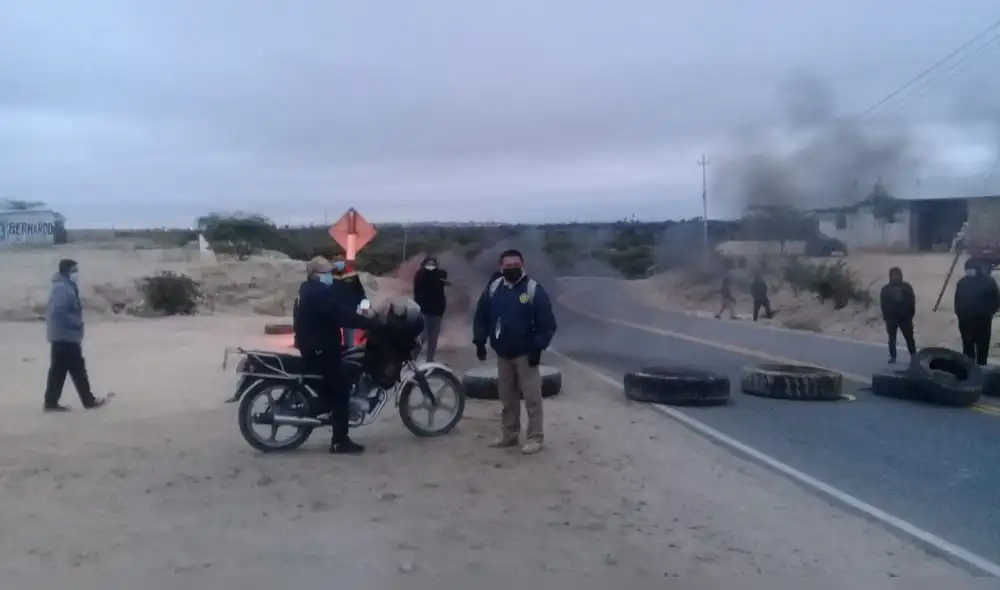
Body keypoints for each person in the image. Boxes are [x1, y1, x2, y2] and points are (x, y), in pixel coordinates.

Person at [473, 249, 557, 455]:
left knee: (532, 399)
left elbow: (547, 324)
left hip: (526, 355)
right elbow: (481, 316)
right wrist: (480, 342)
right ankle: (509, 435)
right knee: (507, 399)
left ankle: (535, 438)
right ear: (500, 267)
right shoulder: (493, 289)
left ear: (523, 265)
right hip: (503, 354)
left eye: (515, 265)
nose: (511, 269)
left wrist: (537, 348)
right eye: (507, 266)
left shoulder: (533, 290)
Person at [295, 256, 375, 454]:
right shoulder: (318, 292)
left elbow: (342, 308)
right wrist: (369, 323)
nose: (330, 275)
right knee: (341, 391)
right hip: (320, 346)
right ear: (315, 274)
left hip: (315, 343)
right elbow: (338, 314)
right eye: (326, 272)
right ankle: (340, 441)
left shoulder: (309, 288)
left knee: (348, 367)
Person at [43, 259, 107, 412]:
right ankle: (88, 401)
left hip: (62, 336)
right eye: (74, 270)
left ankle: (52, 402)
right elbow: (58, 311)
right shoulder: (62, 289)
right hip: (65, 336)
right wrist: (76, 322)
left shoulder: (65, 286)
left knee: (60, 370)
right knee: (76, 369)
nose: (77, 274)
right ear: (67, 271)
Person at [954, 259, 1000, 366]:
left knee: (982, 345)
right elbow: (957, 299)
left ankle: (982, 365)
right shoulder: (962, 282)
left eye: (970, 269)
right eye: (967, 269)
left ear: (976, 269)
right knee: (967, 344)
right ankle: (969, 367)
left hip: (983, 319)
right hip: (965, 320)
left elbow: (996, 300)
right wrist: (959, 313)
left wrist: (989, 313)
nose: (968, 272)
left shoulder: (988, 282)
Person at [412, 255, 450, 362]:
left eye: (433, 264)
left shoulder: (439, 275)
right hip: (424, 312)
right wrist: (432, 274)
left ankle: (430, 362)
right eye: (429, 264)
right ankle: (411, 360)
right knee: (421, 338)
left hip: (437, 313)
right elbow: (423, 281)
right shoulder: (420, 275)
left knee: (433, 341)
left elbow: (444, 274)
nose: (431, 266)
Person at [879, 266, 917, 364]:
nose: (896, 277)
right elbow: (883, 305)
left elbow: (912, 302)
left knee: (909, 338)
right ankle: (893, 357)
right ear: (890, 276)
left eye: (897, 275)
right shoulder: (885, 289)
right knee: (892, 339)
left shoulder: (906, 287)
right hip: (892, 319)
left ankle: (914, 357)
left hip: (905, 318)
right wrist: (886, 318)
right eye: (894, 275)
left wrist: (910, 315)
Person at [330, 253, 367, 348]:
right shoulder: (329, 276)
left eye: (340, 261)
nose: (338, 264)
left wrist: (365, 308)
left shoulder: (352, 275)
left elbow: (360, 293)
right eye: (336, 262)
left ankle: (349, 355)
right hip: (334, 312)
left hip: (349, 311)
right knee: (333, 339)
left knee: (349, 341)